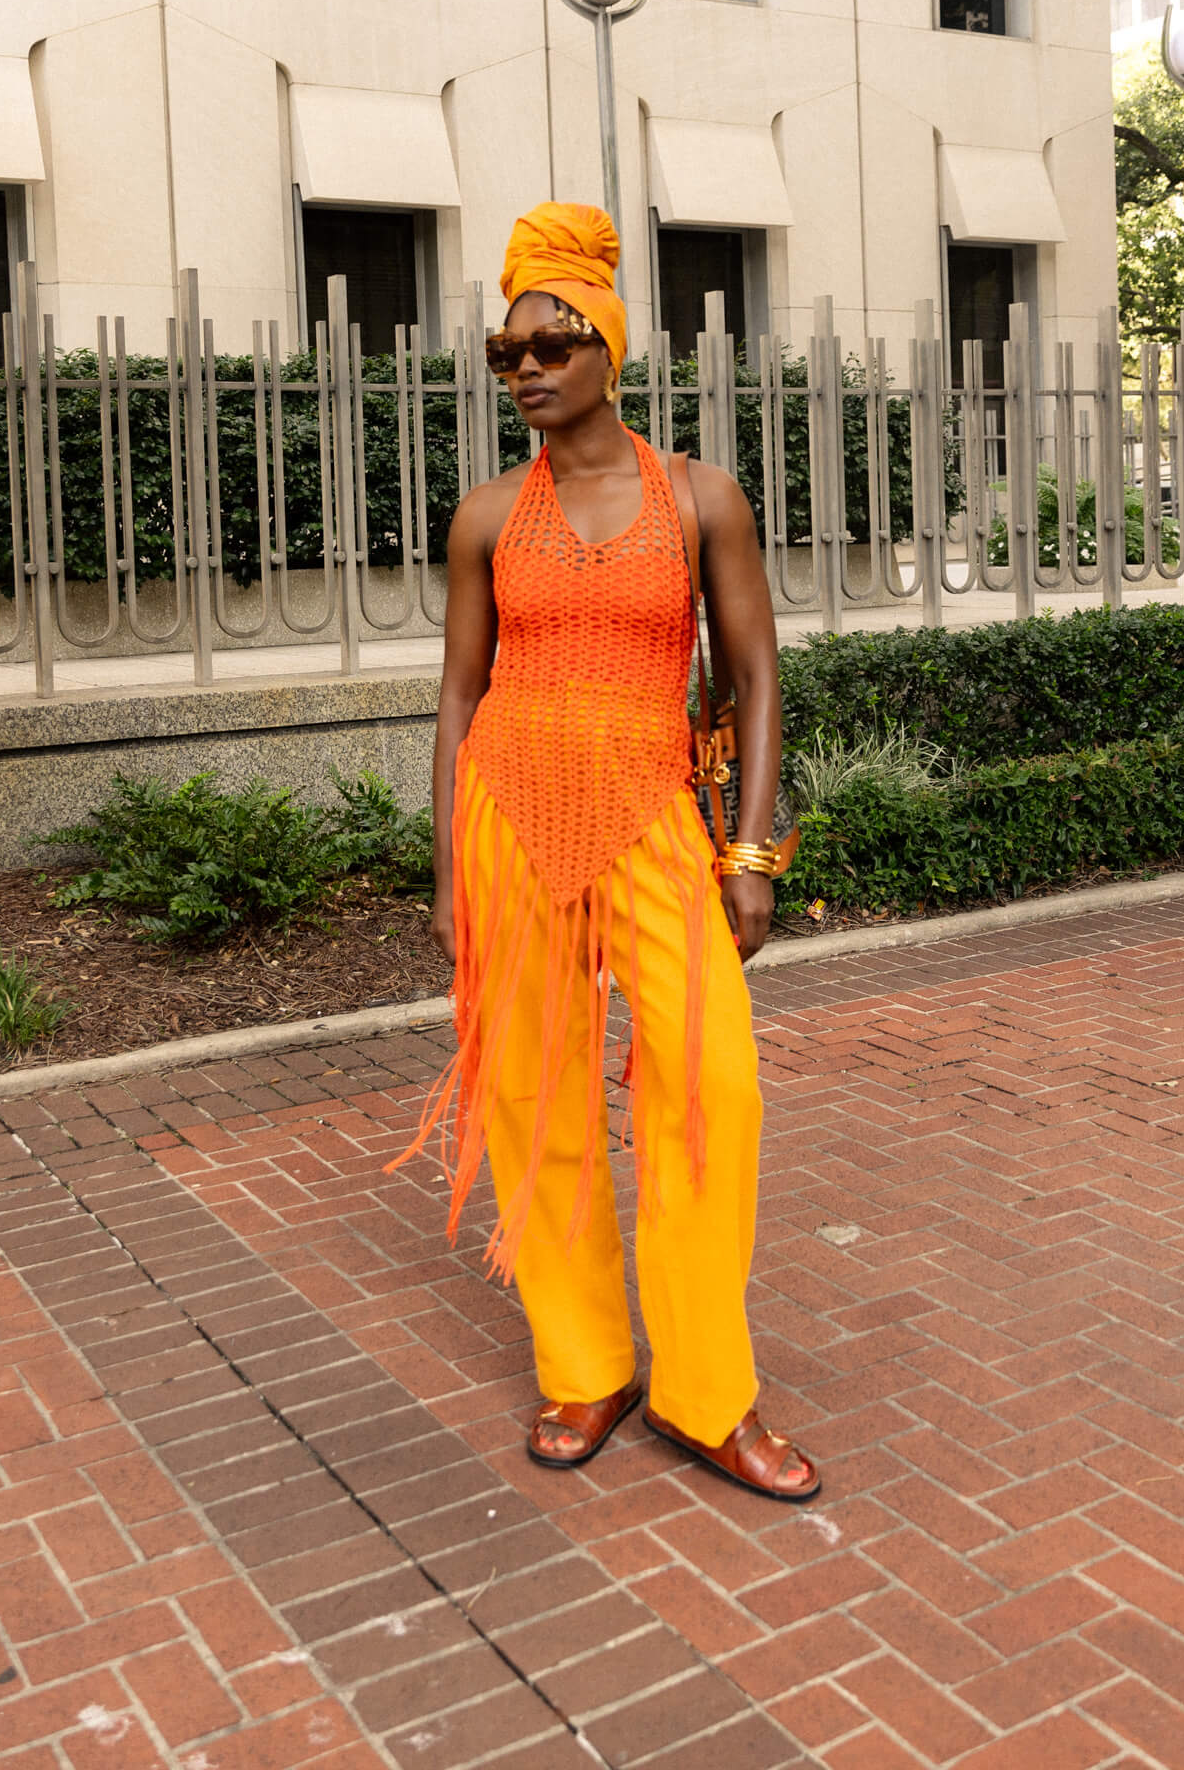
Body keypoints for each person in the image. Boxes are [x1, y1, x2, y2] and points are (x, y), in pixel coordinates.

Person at [392, 201, 818, 1501]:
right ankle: (585, 1365)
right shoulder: (480, 520)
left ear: (607, 348)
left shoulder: (697, 499)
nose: (527, 368)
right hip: (509, 816)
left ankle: (705, 1393)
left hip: (648, 821)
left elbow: (750, 678)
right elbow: (459, 697)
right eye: (506, 350)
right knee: (535, 1098)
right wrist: (445, 867)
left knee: (710, 1088)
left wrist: (750, 857)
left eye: (552, 343)